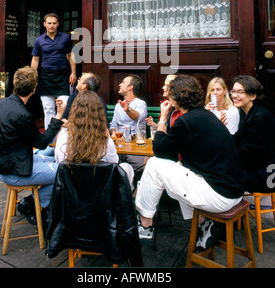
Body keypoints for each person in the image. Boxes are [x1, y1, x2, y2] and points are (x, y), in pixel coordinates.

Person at [135, 74, 246, 243]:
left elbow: (159, 151)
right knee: (179, 166)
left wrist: (163, 118)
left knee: (154, 164)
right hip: (235, 192)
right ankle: (203, 223)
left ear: (175, 98)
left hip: (220, 197)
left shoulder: (186, 121)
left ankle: (145, 224)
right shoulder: (206, 116)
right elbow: (172, 155)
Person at [0, 66, 66, 225]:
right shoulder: (23, 115)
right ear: (34, 89)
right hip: (14, 172)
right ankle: (32, 204)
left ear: (15, 84)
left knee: (52, 159)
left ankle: (34, 204)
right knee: (66, 172)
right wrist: (58, 116)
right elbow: (42, 142)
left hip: (5, 165)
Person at [54, 91, 134, 189]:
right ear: (99, 113)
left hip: (71, 194)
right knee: (127, 168)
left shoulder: (63, 137)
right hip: (101, 194)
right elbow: (114, 164)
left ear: (74, 111)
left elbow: (60, 165)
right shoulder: (105, 141)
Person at [230, 75, 275, 193]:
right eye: (233, 91)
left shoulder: (261, 117)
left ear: (253, 96)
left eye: (240, 92)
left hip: (267, 176)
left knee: (219, 174)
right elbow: (238, 139)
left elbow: (249, 152)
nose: (234, 95)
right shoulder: (245, 112)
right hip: (255, 168)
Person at [31, 13, 76, 129]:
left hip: (62, 75)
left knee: (64, 107)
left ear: (58, 24)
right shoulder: (39, 40)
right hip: (45, 76)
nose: (51, 26)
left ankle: (62, 137)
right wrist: (32, 77)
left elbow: (71, 55)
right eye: (49, 23)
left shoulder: (65, 38)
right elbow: (35, 59)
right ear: (44, 24)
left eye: (54, 23)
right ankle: (50, 139)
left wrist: (73, 72)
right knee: (48, 109)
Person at [109, 75, 147, 175]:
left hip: (135, 145)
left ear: (130, 87)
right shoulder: (118, 105)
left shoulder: (140, 103)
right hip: (119, 144)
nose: (120, 84)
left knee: (143, 169)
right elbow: (113, 125)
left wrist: (128, 110)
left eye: (123, 82)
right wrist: (113, 132)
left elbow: (137, 116)